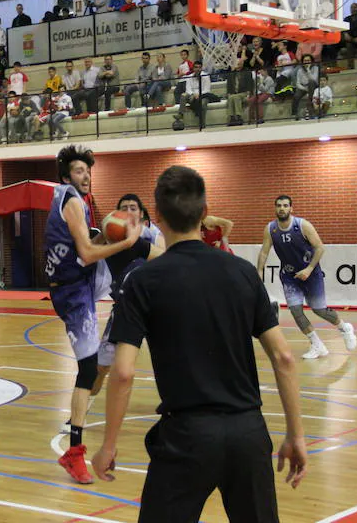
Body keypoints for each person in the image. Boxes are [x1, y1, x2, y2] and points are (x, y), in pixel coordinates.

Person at [91, 165, 308, 523]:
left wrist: (109, 444)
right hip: (248, 434)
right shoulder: (241, 272)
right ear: (205, 215)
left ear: (156, 216)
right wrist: (296, 435)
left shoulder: (143, 281)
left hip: (186, 438)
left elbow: (124, 373)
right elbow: (284, 357)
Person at [44, 145, 141, 484]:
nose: (86, 176)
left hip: (80, 281)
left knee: (133, 276)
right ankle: (74, 453)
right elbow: (86, 252)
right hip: (73, 290)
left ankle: (135, 305)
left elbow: (84, 244)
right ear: (66, 175)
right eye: (79, 171)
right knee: (87, 368)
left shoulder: (72, 199)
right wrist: (125, 242)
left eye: (88, 171)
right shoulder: (71, 200)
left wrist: (107, 235)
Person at [60, 193, 163, 434]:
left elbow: (170, 260)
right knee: (101, 367)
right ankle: (80, 413)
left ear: (141, 215)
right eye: (123, 208)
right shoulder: (110, 242)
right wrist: (104, 232)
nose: (128, 211)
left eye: (133, 208)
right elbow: (84, 254)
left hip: (157, 309)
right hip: (126, 311)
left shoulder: (149, 238)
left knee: (170, 360)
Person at [257, 195, 357, 358]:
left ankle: (344, 327)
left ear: (291, 208)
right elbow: (264, 251)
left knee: (319, 310)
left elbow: (320, 248)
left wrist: (309, 269)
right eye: (279, 206)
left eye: (285, 205)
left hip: (311, 273)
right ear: (275, 208)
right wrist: (259, 271)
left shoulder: (302, 225)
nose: (282, 208)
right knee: (295, 310)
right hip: (289, 275)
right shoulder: (270, 229)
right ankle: (317, 345)